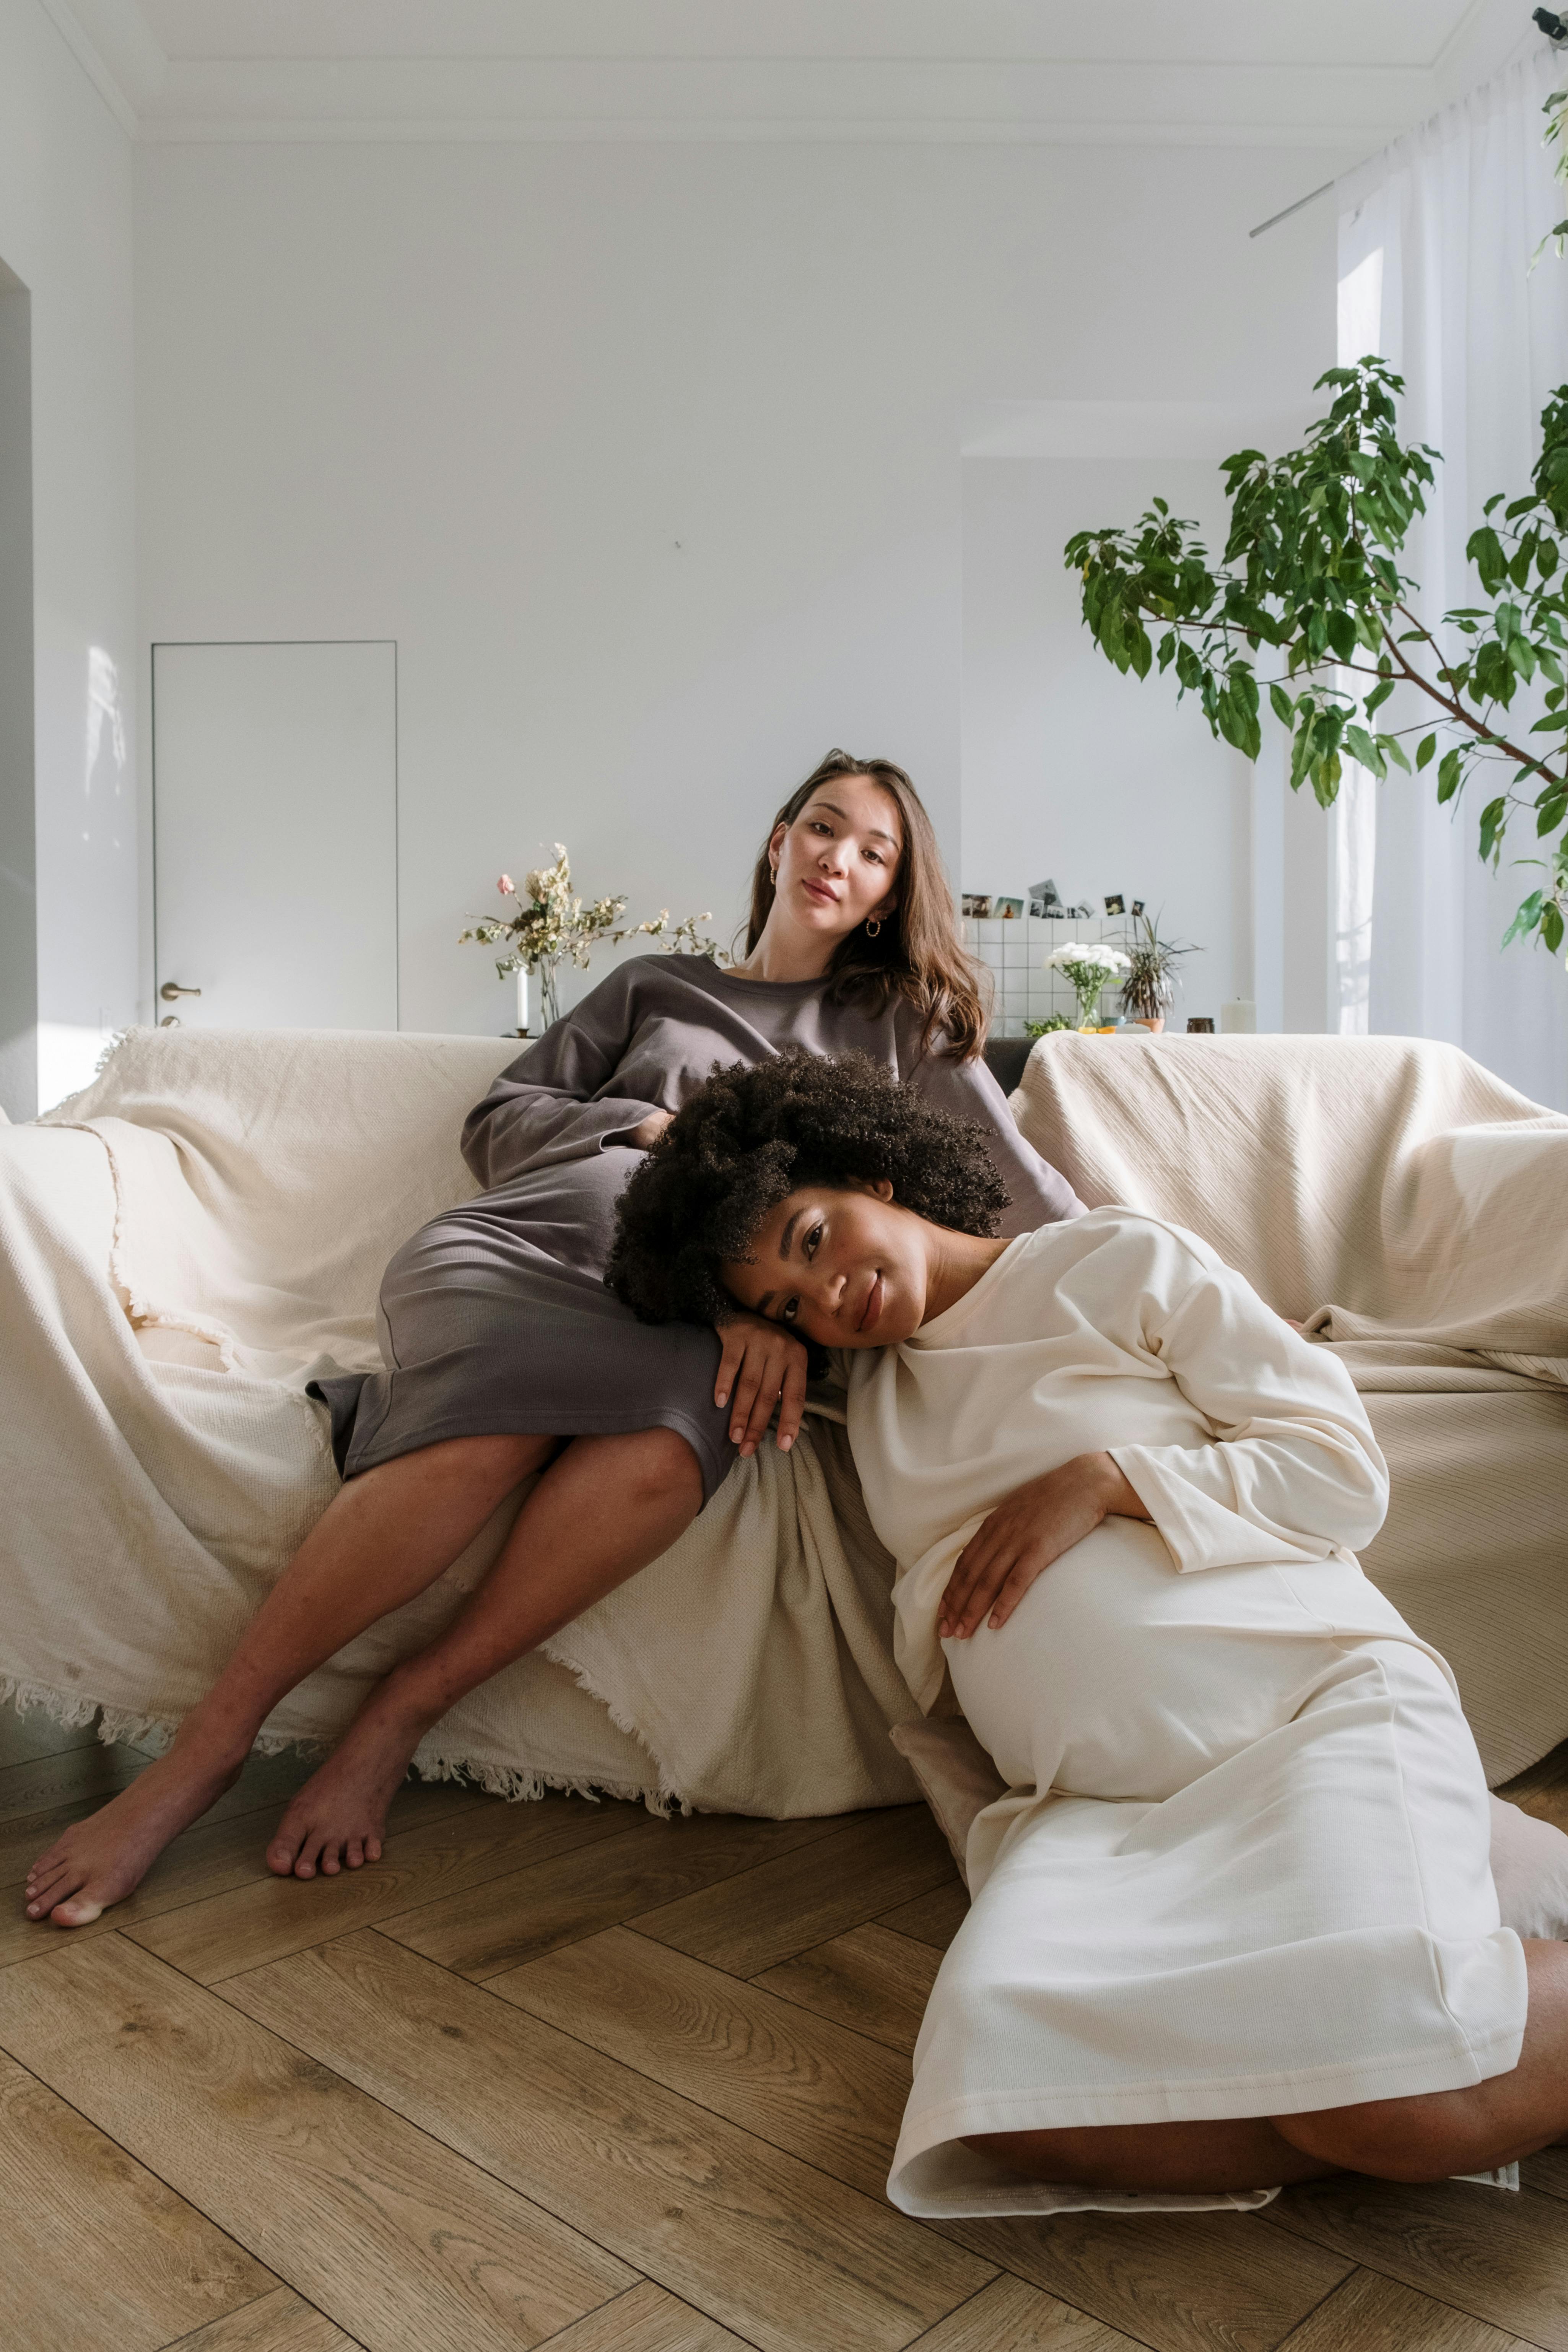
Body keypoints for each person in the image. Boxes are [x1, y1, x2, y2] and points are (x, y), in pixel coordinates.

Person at [24, 750, 1080, 1930]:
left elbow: (1030, 1204)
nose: (840, 856)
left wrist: (1188, 1295)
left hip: (692, 1317)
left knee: (680, 1439)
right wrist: (649, 1127)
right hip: (519, 1248)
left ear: (889, 893)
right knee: (495, 1431)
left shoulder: (895, 1030)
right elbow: (500, 1120)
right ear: (777, 843)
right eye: (823, 828)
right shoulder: (653, 987)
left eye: (874, 850)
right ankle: (203, 1757)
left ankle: (401, 1712)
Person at [604, 1052, 1568, 2210]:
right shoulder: (866, 1393)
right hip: (1101, 1817)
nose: (828, 1299)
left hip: (1308, 1725)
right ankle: (1421, 2045)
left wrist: (1110, 1479)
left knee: (1390, 2093)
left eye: (811, 1240)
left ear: (863, 1168)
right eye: (788, 1306)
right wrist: (729, 1322)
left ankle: (1400, 2078)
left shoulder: (1115, 1262)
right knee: (1008, 2112)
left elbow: (1340, 1475)